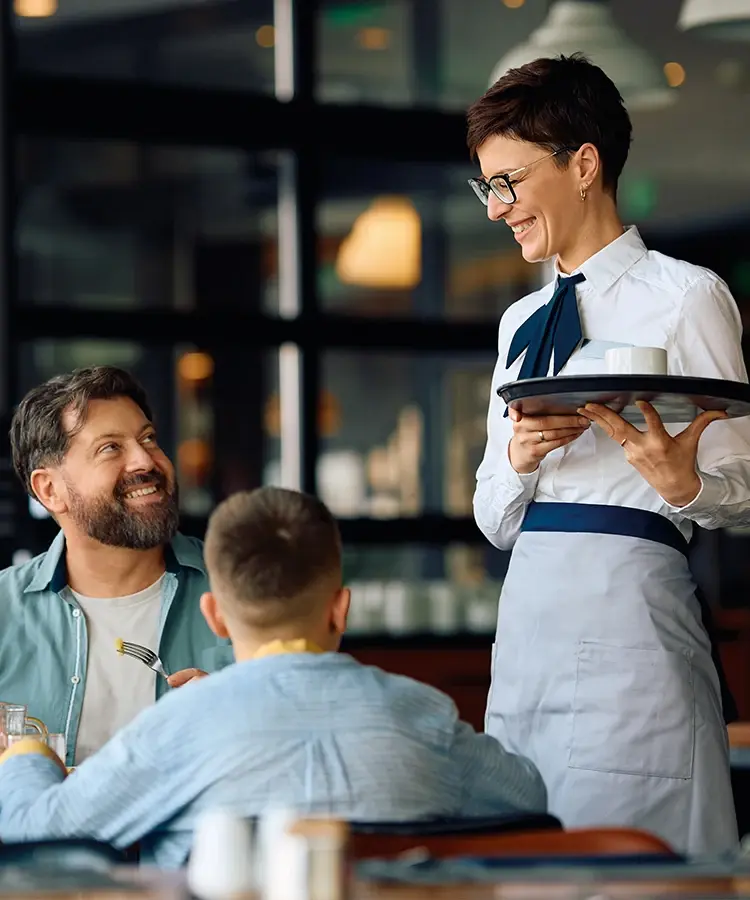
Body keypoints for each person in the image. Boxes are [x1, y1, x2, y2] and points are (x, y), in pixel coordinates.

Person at [467, 53, 750, 856]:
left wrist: (688, 484)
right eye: (486, 188)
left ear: (583, 165)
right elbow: (493, 519)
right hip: (526, 632)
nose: (497, 209)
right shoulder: (518, 326)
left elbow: (748, 480)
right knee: (526, 855)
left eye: (509, 182)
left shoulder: (685, 297)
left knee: (632, 863)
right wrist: (519, 458)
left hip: (633, 626)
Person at [0, 486, 546, 868]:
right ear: (340, 610)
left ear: (215, 615)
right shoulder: (422, 714)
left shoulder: (179, 726)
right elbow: (528, 797)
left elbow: (38, 832)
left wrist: (27, 755)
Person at [0, 366, 232, 767]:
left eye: (148, 438)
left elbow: (307, 748)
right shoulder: (4, 610)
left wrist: (242, 717)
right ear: (49, 490)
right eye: (110, 448)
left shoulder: (243, 590)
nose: (146, 460)